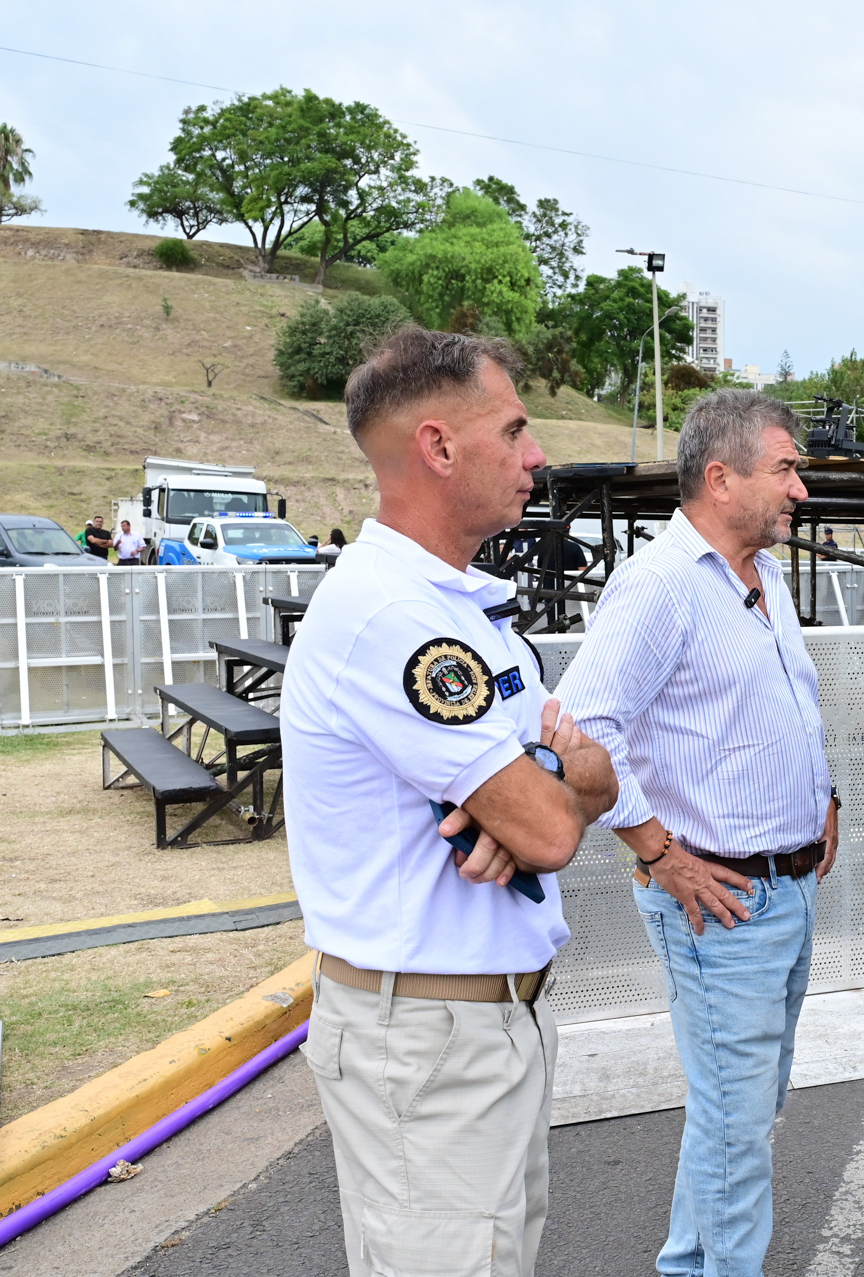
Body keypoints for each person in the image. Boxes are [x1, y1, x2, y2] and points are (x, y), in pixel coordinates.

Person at [280, 327, 618, 1277]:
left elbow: (587, 779)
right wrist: (549, 789)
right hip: (428, 1037)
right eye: (513, 431)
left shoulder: (461, 605)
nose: (537, 454)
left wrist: (546, 786)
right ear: (437, 447)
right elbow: (555, 822)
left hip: (488, 1021)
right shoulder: (390, 615)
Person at [558, 389, 839, 1277]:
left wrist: (822, 792)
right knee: (737, 1121)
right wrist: (659, 853)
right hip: (720, 897)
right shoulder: (660, 585)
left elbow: (785, 701)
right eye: (786, 468)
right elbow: (583, 730)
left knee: (737, 1111)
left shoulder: (761, 575)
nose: (801, 488)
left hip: (780, 888)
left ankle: (689, 1264)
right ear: (721, 477)